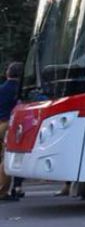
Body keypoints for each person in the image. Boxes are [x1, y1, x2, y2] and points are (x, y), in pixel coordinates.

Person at [0, 62, 21, 201]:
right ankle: (3, 191)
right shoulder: (19, 90)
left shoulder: (1, 88)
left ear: (8, 73)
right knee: (7, 158)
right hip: (9, 124)